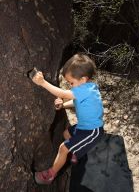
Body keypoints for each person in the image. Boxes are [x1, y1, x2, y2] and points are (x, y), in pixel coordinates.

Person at [31, 54, 104, 185]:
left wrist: (42, 83)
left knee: (63, 148)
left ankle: (50, 175)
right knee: (66, 134)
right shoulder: (88, 88)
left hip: (92, 131)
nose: (70, 85)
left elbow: (63, 94)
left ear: (83, 79)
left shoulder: (85, 90)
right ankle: (75, 151)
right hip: (83, 126)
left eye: (71, 82)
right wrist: (63, 105)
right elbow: (76, 102)